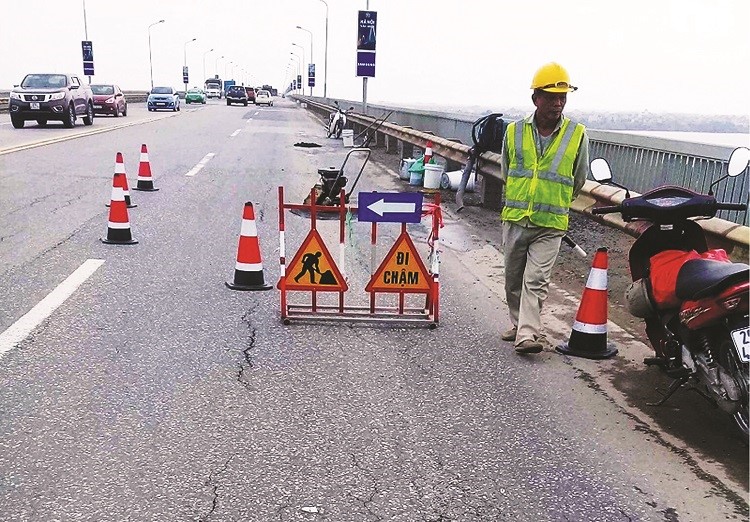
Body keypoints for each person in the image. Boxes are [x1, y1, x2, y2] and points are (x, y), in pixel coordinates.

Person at [499, 62, 590, 354]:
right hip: (516, 217)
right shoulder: (513, 132)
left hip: (550, 222)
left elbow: (578, 178)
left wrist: (555, 199)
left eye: (562, 97)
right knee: (513, 278)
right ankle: (518, 323)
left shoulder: (577, 134)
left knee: (536, 279)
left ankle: (528, 333)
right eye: (551, 97)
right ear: (535, 99)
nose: (558, 103)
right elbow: (506, 171)